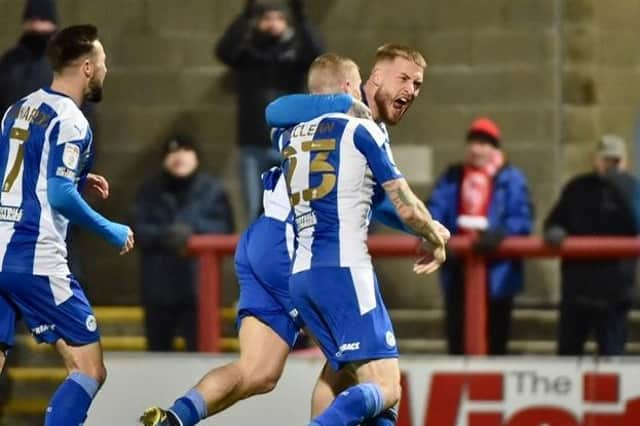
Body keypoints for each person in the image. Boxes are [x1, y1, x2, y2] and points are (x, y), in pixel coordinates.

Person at [139, 52, 445, 426]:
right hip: (296, 243)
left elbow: (377, 202)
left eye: (417, 85)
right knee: (368, 376)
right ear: (365, 81)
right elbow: (275, 107)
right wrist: (427, 228)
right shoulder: (351, 122)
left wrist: (422, 226)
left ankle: (174, 418)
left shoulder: (301, 126)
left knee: (259, 373)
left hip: (261, 241)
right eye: (404, 80)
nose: (411, 91)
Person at [0, 25, 134, 426]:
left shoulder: (17, 108)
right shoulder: (73, 120)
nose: (107, 70)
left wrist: (76, 178)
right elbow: (57, 195)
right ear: (88, 67)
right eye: (105, 62)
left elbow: (19, 173)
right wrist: (110, 229)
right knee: (89, 369)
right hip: (35, 259)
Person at [427, 118, 533, 355]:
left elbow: (521, 219)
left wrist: (499, 235)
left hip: (498, 274)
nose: (476, 149)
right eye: (473, 143)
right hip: (458, 269)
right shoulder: (453, 177)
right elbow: (435, 210)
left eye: (484, 144)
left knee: (496, 339)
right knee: (457, 337)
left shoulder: (511, 178)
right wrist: (441, 234)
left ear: (495, 148)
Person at [215, 0, 324, 221]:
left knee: (296, 211)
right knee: (256, 213)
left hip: (290, 143)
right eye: (267, 18)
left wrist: (300, 14)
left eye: (279, 18)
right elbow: (223, 51)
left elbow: (317, 53)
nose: (273, 24)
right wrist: (246, 14)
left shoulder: (296, 53)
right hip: (252, 146)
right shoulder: (247, 53)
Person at [133, 135, 234, 352]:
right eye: (172, 153)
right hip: (159, 289)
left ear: (196, 156)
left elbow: (225, 229)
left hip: (199, 291)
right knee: (158, 355)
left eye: (185, 151)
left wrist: (193, 233)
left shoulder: (211, 190)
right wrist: (166, 235)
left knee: (200, 358)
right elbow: (136, 230)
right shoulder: (149, 190)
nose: (179, 157)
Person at [544, 135, 639, 356]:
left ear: (625, 162)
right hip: (578, 289)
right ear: (596, 160)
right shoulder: (578, 188)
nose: (610, 166)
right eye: (606, 160)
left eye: (616, 161)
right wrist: (555, 231)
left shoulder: (634, 189)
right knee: (567, 357)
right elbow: (556, 219)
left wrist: (620, 185)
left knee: (612, 358)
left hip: (615, 292)